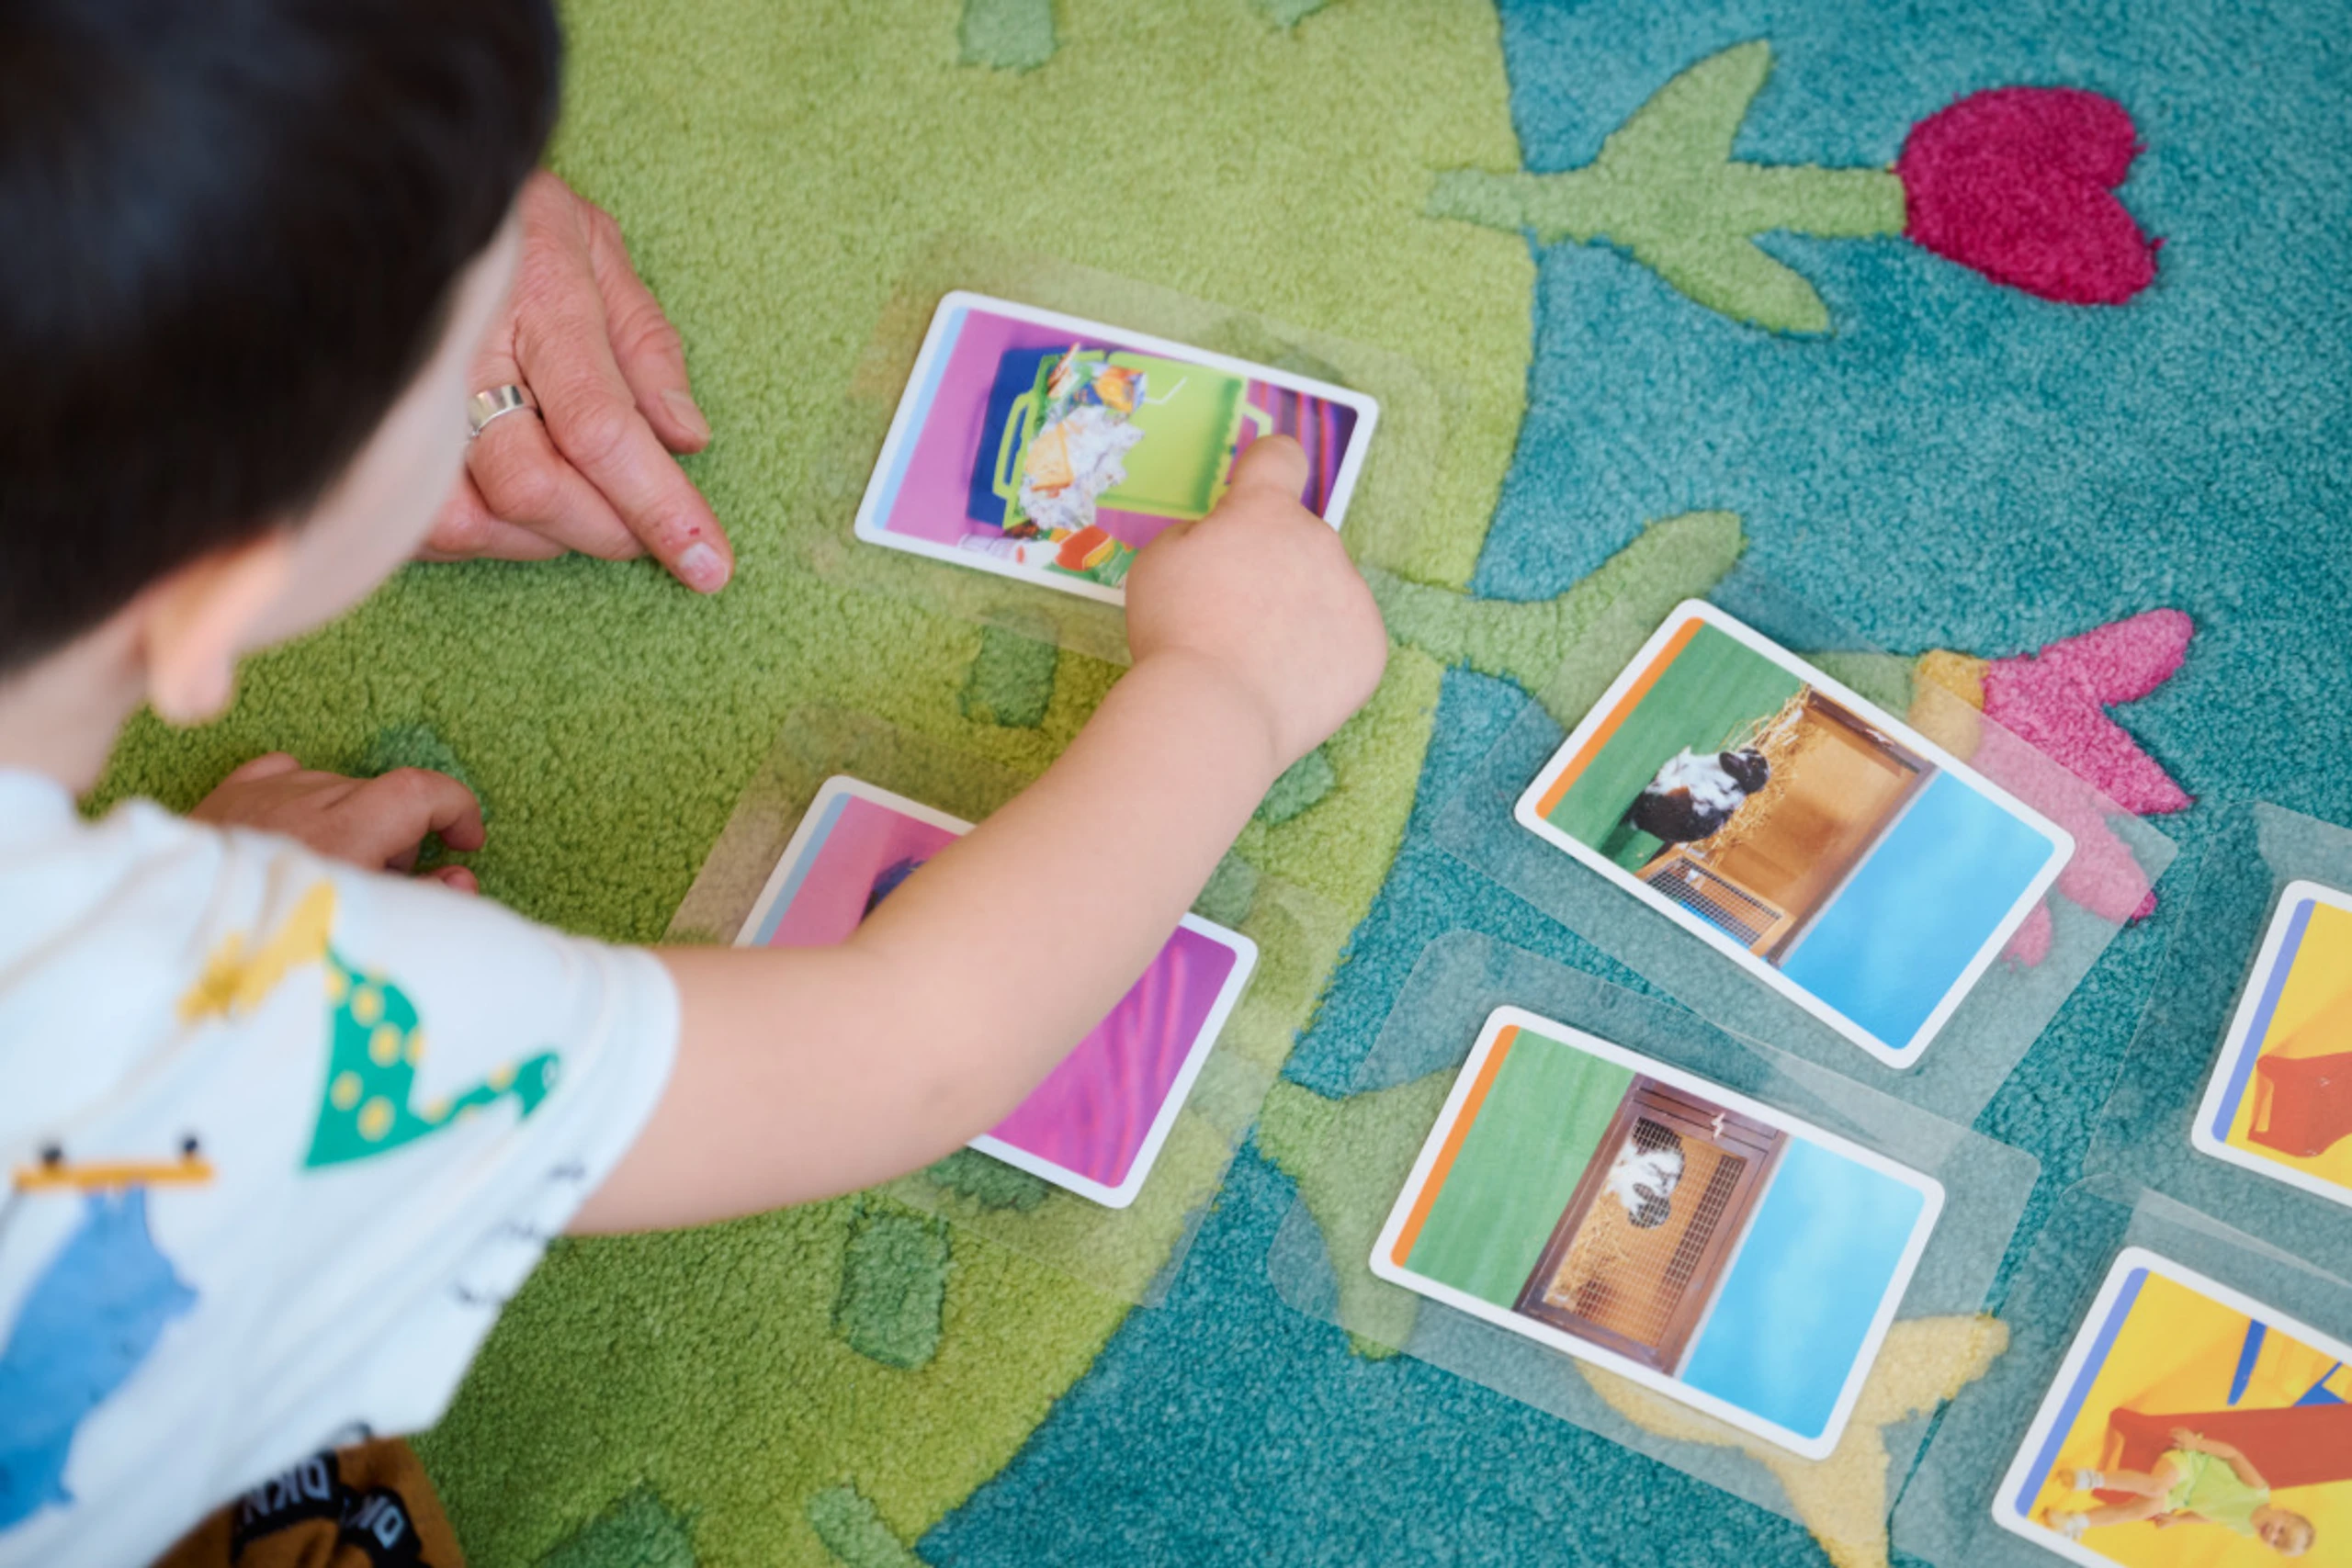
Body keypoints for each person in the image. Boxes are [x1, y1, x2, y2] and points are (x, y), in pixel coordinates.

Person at [0, 3, 1387, 1565]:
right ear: (216, 596)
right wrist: (1224, 690)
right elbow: (910, 1051)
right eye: (462, 335)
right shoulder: (255, 1035)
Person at [2048, 1429, 2316, 1556]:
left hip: (2182, 1497)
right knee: (2156, 1486)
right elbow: (2234, 1455)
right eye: (2282, 1530)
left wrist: (2178, 1519)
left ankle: (2076, 1521)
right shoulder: (2258, 1491)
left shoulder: (2247, 1530)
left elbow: (2212, 1517)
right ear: (2284, 1512)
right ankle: (2092, 1479)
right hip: (2191, 1466)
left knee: (2141, 1510)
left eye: (2276, 1543)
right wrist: (2196, 1444)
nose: (2272, 1535)